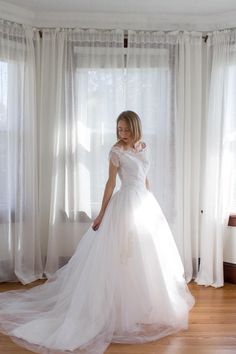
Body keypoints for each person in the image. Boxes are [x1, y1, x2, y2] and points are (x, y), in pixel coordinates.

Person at [0, 110, 194, 354]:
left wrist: (151, 201)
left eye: (126, 129)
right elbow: (111, 184)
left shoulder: (144, 147)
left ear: (135, 128)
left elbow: (145, 178)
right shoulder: (116, 152)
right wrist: (102, 214)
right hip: (124, 205)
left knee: (146, 256)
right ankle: (117, 309)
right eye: (119, 129)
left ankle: (142, 306)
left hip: (145, 203)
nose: (122, 133)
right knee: (121, 256)